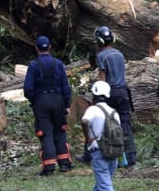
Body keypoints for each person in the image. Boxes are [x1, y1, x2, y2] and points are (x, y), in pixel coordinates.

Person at [23, 35, 73, 176]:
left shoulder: (33, 65)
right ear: (49, 48)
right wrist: (67, 104)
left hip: (41, 100)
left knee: (45, 133)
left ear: (36, 49)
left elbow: (27, 88)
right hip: (58, 99)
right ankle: (64, 163)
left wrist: (35, 100)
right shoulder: (58, 64)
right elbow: (65, 86)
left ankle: (49, 166)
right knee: (60, 130)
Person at [94, 26, 136, 166]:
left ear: (99, 41)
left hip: (110, 92)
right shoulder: (119, 54)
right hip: (123, 91)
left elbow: (102, 79)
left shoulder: (101, 56)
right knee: (125, 123)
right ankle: (131, 156)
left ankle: (99, 153)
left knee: (103, 122)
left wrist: (98, 95)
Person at [82, 81, 121, 191]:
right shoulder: (114, 112)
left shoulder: (93, 109)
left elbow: (84, 121)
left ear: (94, 94)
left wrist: (88, 138)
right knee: (102, 183)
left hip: (99, 152)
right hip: (113, 152)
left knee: (104, 186)